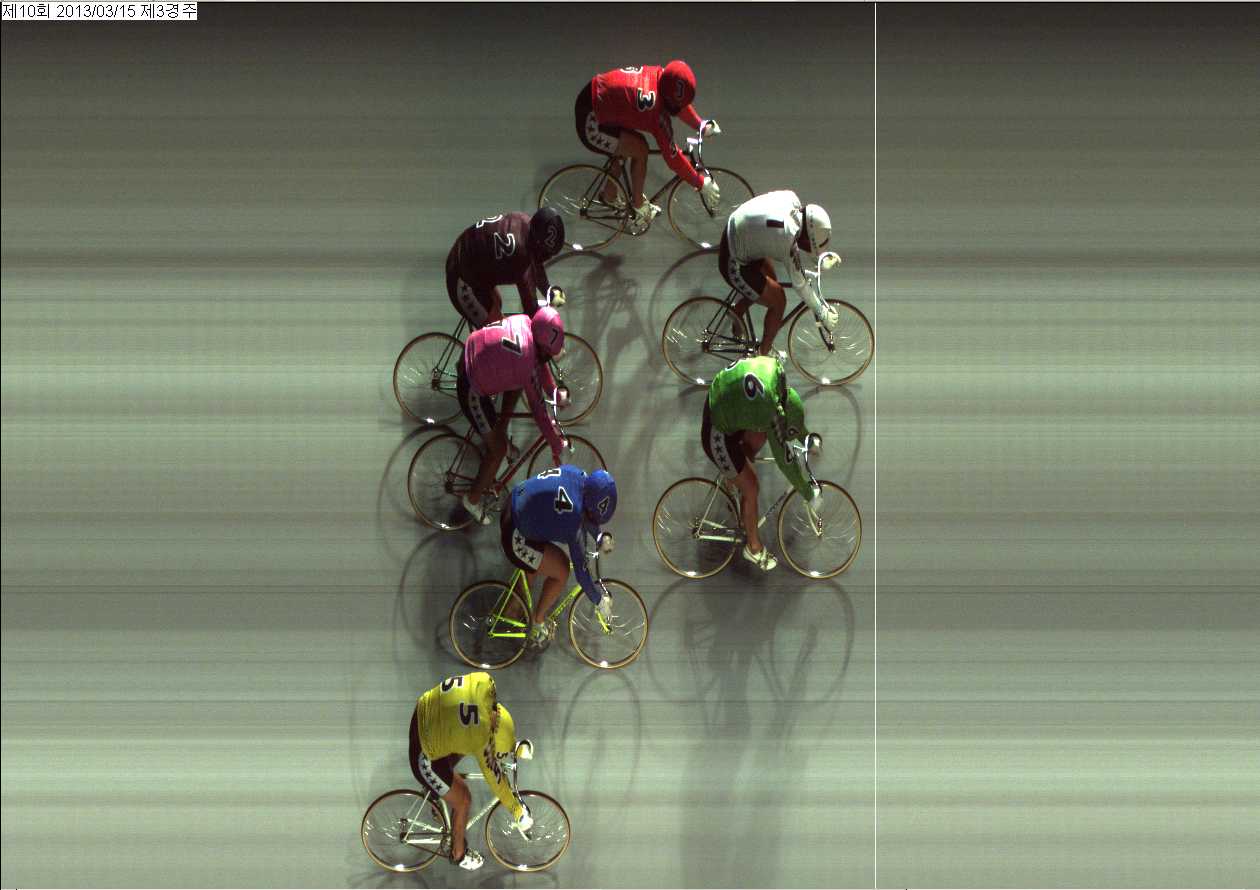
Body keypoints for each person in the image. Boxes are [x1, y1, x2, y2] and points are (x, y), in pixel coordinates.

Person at [703, 355, 818, 571]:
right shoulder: (772, 414)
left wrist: (806, 438)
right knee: (753, 487)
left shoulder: (778, 375)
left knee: (760, 434)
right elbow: (785, 462)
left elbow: (788, 417)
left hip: (722, 397)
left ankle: (733, 480)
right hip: (716, 431)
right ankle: (753, 549)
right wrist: (807, 492)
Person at [408, 671, 531, 871]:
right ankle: (458, 855)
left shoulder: (486, 682)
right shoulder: (481, 739)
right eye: (496, 752)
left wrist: (512, 745)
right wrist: (517, 810)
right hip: (422, 754)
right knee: (464, 799)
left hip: (424, 709)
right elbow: (496, 780)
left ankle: (438, 794)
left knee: (463, 741)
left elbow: (494, 732)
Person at [574, 61, 722, 226]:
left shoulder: (661, 75)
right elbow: (672, 158)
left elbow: (677, 103)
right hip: (591, 121)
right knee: (640, 149)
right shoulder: (656, 113)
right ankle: (639, 208)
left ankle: (609, 195)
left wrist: (700, 125)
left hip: (597, 97)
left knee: (626, 148)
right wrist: (700, 183)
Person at [457, 307, 567, 524]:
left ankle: (500, 434)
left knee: (517, 384)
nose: (548, 358)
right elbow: (538, 410)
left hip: (472, 351)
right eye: (548, 354)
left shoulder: (526, 321)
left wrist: (554, 392)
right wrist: (556, 444)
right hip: (471, 389)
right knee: (496, 450)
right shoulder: (527, 361)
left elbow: (540, 365)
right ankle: (472, 500)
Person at [502, 465, 617, 645]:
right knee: (562, 570)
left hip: (516, 502)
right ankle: (537, 623)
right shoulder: (573, 519)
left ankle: (513, 608)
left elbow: (586, 513)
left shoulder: (579, 475)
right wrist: (599, 601)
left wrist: (599, 536)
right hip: (516, 534)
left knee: (537, 564)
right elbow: (581, 572)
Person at [720, 190, 838, 356]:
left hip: (739, 232)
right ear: (805, 238)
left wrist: (816, 263)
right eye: (808, 247)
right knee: (778, 301)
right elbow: (800, 285)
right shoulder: (787, 238)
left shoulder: (791, 198)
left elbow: (798, 256)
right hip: (733, 261)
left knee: (770, 283)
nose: (806, 250)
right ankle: (763, 353)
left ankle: (737, 312)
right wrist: (821, 312)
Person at [446, 208, 567, 329]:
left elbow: (535, 263)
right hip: (461, 276)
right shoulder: (520, 253)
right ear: (538, 245)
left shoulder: (525, 222)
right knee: (496, 330)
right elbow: (530, 304)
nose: (547, 258)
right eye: (546, 254)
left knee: (497, 304)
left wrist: (548, 291)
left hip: (471, 261)